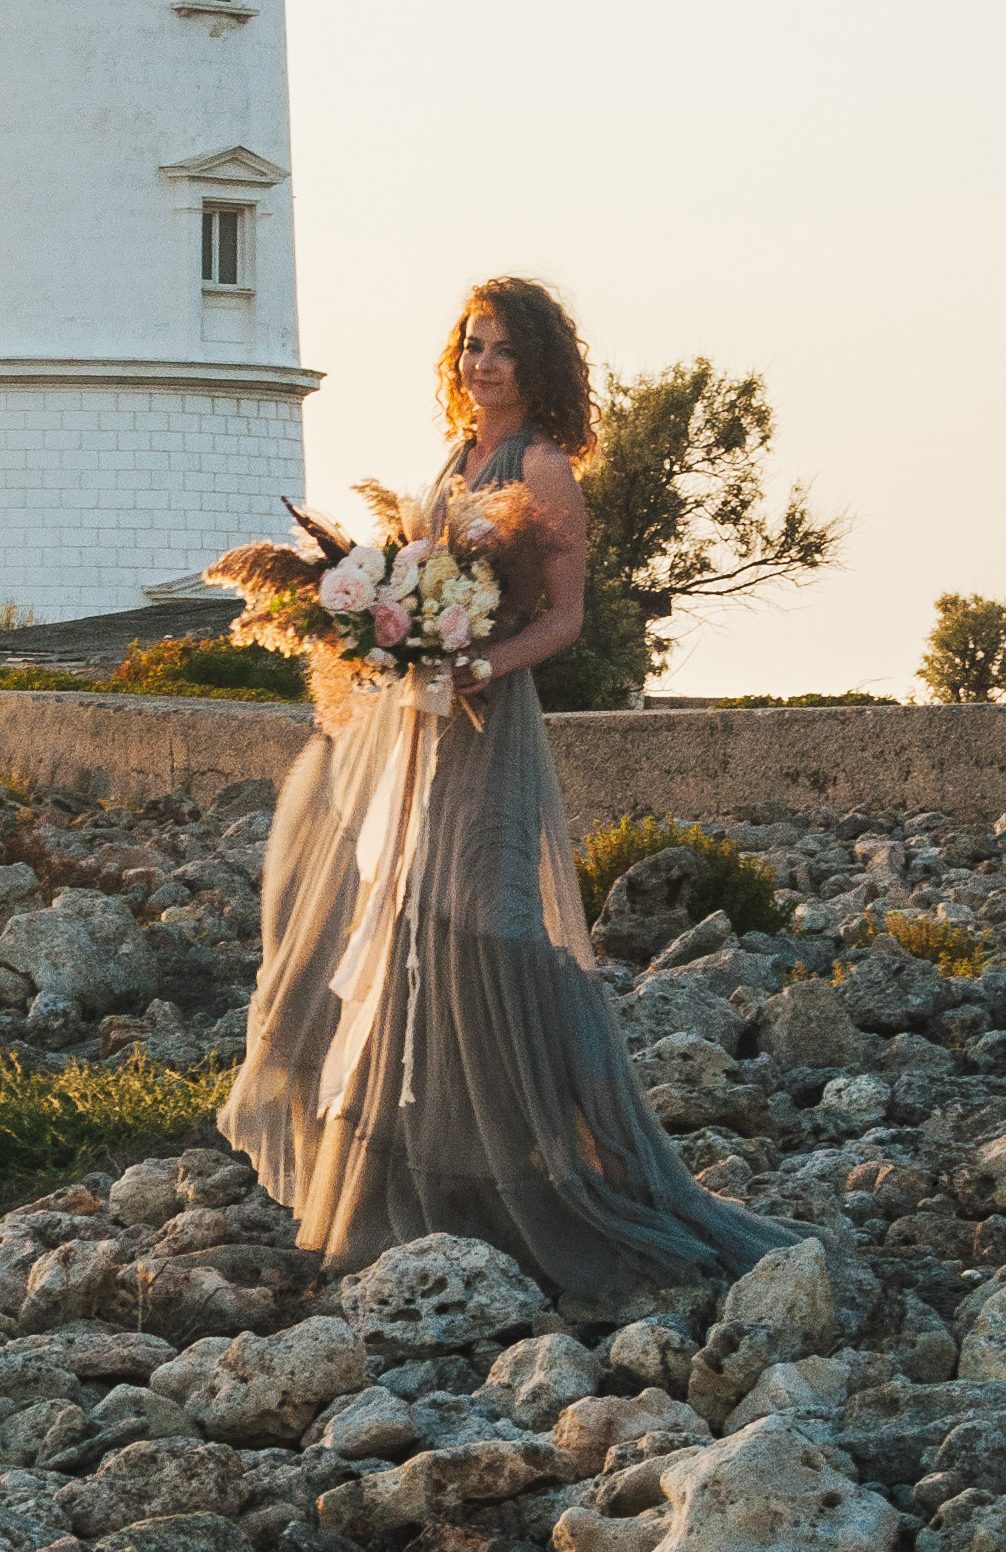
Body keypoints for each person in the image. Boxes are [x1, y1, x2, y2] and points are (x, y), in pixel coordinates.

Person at [217, 274, 793, 1303]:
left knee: (497, 923)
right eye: (472, 346)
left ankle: (558, 1167)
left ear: (538, 363)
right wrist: (389, 633)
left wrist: (480, 662)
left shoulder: (544, 466)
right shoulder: (458, 455)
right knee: (418, 924)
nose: (483, 363)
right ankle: (432, 1174)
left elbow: (564, 616)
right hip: (427, 719)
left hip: (490, 720)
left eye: (503, 348)